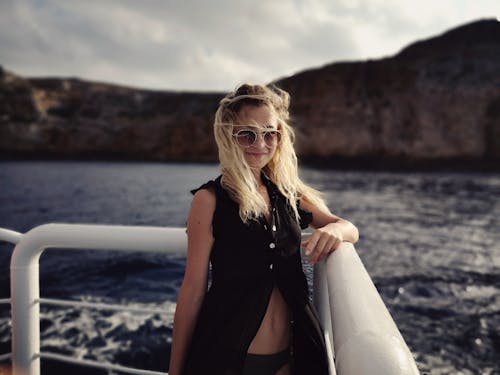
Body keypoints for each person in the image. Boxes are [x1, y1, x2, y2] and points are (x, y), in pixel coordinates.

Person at [168, 83, 359, 375]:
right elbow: (193, 290)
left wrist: (336, 232)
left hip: (292, 355)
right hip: (228, 357)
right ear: (228, 137)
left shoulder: (287, 195)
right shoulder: (208, 201)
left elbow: (347, 227)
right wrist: (175, 371)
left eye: (270, 133)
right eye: (247, 134)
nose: (260, 143)